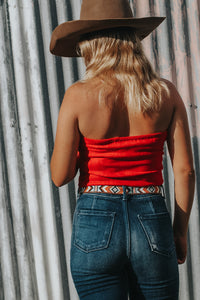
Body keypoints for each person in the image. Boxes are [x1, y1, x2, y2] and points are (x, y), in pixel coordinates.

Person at [50, 0, 195, 299]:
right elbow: (185, 170)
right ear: (132, 40)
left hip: (95, 220)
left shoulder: (78, 96)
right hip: (151, 219)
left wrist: (89, 149)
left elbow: (60, 175)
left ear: (91, 45)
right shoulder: (165, 93)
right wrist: (179, 231)